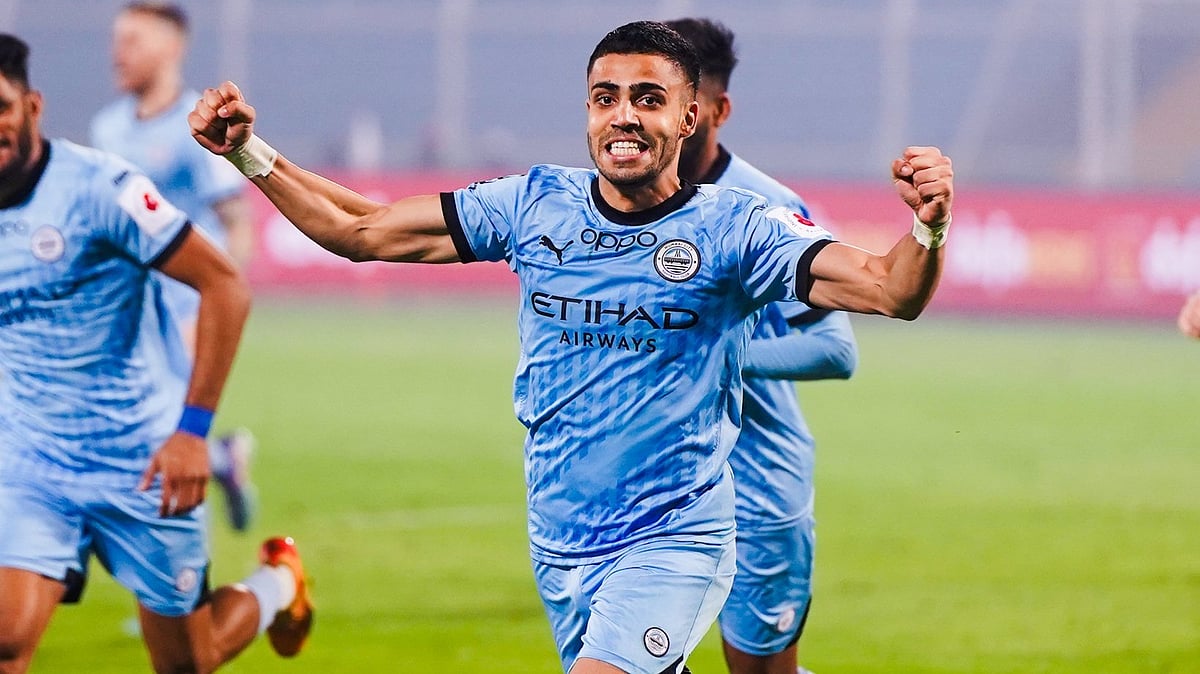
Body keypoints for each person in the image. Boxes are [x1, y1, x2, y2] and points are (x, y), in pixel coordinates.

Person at [188, 20, 953, 674]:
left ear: (691, 118)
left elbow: (890, 290)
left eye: (648, 99)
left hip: (676, 534)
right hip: (563, 537)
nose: (624, 116)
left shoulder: (738, 228)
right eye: (606, 98)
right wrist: (250, 153)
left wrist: (927, 226)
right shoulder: (533, 205)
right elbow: (360, 232)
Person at [0, 34, 312, 674]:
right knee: (5, 640)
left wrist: (193, 432)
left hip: (140, 461)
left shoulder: (99, 187)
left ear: (31, 107)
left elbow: (225, 284)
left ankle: (278, 584)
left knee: (186, 663)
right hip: (32, 467)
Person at [665, 17, 856, 674]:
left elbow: (836, 350)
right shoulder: (617, 202)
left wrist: (717, 358)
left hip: (755, 486)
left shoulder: (768, 207)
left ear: (718, 109)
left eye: (684, 105)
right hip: (653, 487)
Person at [90, 1, 258, 532]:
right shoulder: (107, 129)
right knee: (136, 435)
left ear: (171, 47)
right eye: (116, 40)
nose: (118, 53)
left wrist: (215, 307)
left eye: (132, 41)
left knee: (171, 436)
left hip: (186, 312)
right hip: (125, 315)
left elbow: (237, 222)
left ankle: (179, 598)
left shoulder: (199, 126)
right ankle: (227, 463)